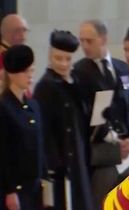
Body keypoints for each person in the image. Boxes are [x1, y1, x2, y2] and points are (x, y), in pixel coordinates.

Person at [73, 19, 129, 210]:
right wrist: (114, 140)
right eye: (82, 41)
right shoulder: (80, 71)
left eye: (90, 41)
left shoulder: (121, 68)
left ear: (103, 39)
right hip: (103, 152)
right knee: (103, 202)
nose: (85, 46)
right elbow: (86, 116)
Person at [33, 30, 93, 210]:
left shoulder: (74, 81)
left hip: (78, 157)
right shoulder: (45, 86)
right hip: (60, 163)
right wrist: (55, 163)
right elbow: (44, 131)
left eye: (68, 59)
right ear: (50, 56)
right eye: (58, 58)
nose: (63, 64)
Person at [0, 45, 46, 210]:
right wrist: (10, 190)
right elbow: (4, 153)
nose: (30, 76)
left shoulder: (33, 106)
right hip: (16, 190)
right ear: (12, 74)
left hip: (34, 186)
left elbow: (39, 143)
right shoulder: (4, 107)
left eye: (31, 71)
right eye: (25, 72)